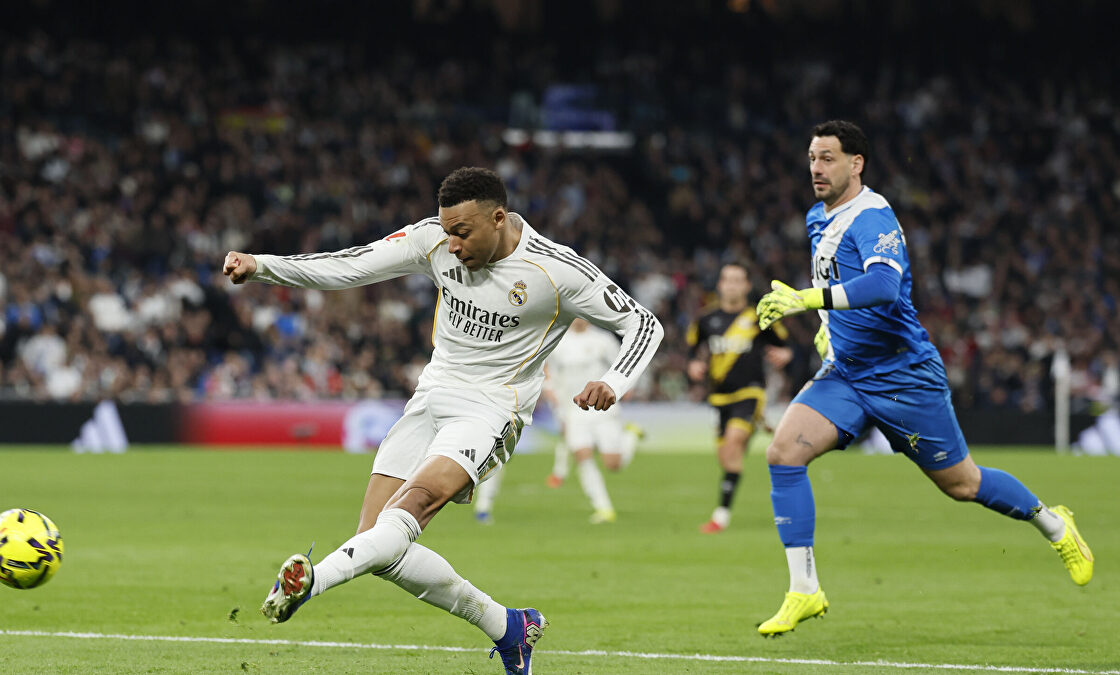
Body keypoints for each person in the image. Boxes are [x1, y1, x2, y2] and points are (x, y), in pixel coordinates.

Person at [223, 167, 663, 673]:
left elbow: (643, 323)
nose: (451, 245)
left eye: (463, 232)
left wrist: (614, 381)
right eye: (446, 230)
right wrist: (261, 265)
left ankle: (311, 582)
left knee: (410, 509)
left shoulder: (555, 272)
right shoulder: (431, 240)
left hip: (493, 408)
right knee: (376, 542)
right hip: (431, 397)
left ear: (498, 219)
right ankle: (509, 627)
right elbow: (350, 265)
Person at [752, 120, 1093, 637]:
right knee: (783, 453)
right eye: (812, 158)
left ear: (855, 163)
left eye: (827, 158)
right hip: (847, 374)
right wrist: (827, 332)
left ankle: (1054, 524)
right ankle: (804, 590)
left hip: (904, 374)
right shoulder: (817, 217)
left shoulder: (873, 217)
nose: (816, 169)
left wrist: (807, 300)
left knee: (963, 484)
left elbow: (885, 286)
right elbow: (838, 286)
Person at [686, 263, 793, 533]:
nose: (732, 285)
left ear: (746, 286)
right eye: (727, 280)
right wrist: (693, 366)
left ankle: (720, 517)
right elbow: (692, 350)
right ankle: (755, 426)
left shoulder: (760, 317)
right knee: (727, 458)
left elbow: (787, 346)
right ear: (720, 285)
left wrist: (786, 355)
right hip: (720, 398)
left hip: (751, 392)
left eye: (738, 280)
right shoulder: (705, 319)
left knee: (733, 444)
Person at [542, 318, 642, 524]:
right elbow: (547, 370)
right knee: (582, 455)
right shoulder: (558, 340)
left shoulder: (602, 339)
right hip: (573, 409)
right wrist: (550, 391)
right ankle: (603, 508)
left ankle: (631, 435)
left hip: (602, 408)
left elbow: (624, 364)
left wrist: (626, 387)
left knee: (613, 464)